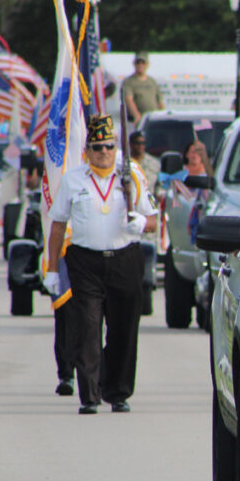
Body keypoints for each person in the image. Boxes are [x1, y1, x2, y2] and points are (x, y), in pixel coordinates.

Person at [44, 115, 158, 415]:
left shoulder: (131, 174)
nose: (103, 152)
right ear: (87, 151)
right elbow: (57, 225)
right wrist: (53, 270)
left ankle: (118, 392)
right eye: (96, 147)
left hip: (124, 259)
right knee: (88, 327)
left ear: (116, 146)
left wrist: (141, 222)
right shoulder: (74, 179)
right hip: (85, 261)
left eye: (108, 146)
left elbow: (155, 220)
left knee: (123, 329)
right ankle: (90, 395)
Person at [121, 51, 164, 126]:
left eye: (142, 62)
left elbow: (160, 101)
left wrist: (163, 116)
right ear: (134, 64)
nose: (140, 65)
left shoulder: (152, 81)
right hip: (136, 120)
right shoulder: (128, 82)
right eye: (138, 62)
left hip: (152, 119)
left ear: (147, 64)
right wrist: (136, 115)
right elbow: (128, 99)